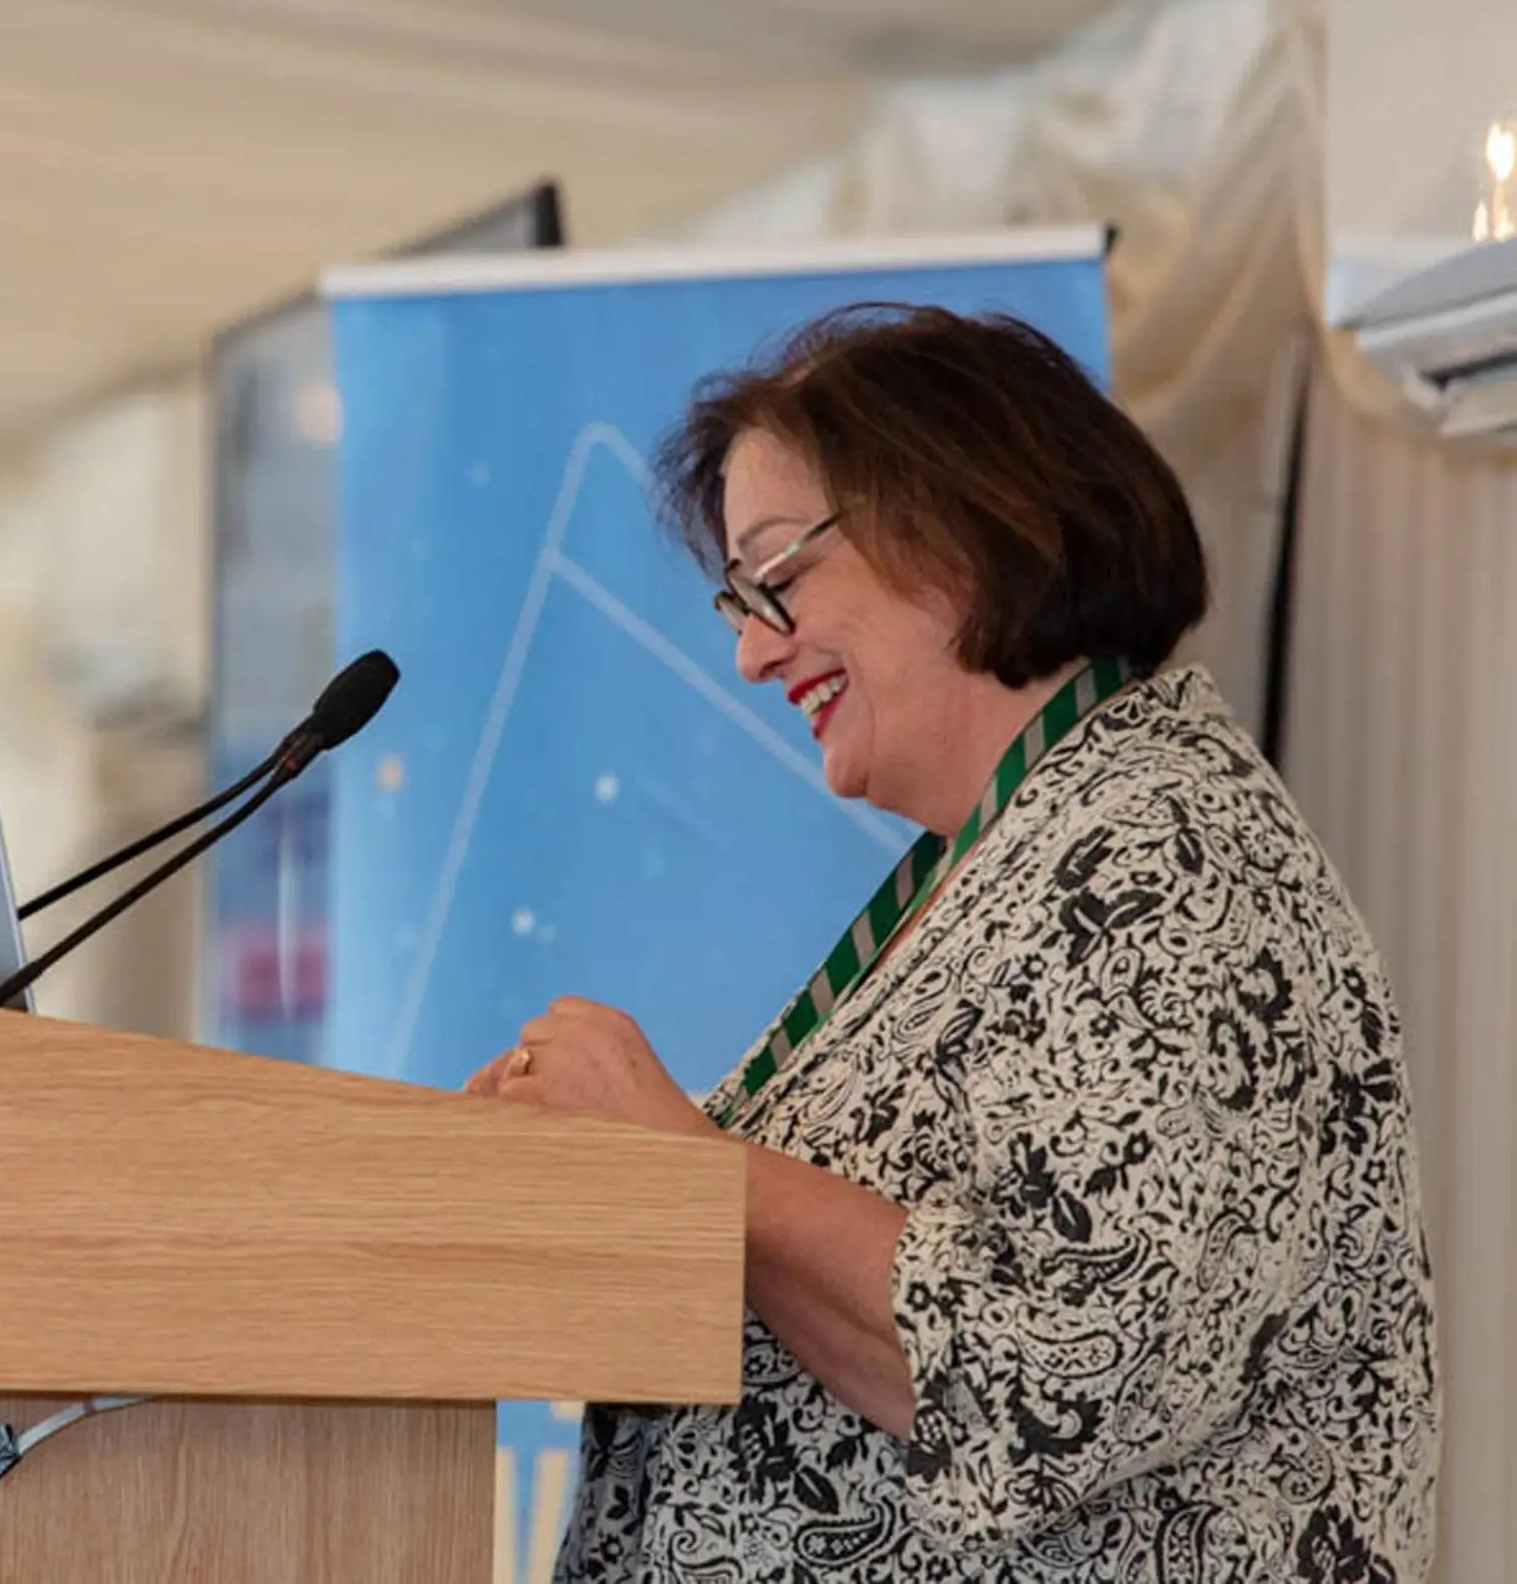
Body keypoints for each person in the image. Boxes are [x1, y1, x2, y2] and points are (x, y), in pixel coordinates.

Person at [467, 305, 1436, 1582]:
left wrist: (688, 1164)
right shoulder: (1026, 851)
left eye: (776, 577)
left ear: (962, 522)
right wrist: (565, 1180)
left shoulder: (1160, 852)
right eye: (738, 600)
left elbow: (1052, 1376)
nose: (750, 653)